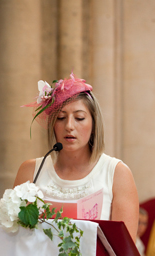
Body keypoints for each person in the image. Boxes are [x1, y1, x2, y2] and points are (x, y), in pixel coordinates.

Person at [14, 73, 139, 240]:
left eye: (79, 118)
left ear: (94, 124)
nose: (69, 126)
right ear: (53, 125)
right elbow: (14, 235)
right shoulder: (30, 171)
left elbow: (123, 251)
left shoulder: (117, 173)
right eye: (61, 118)